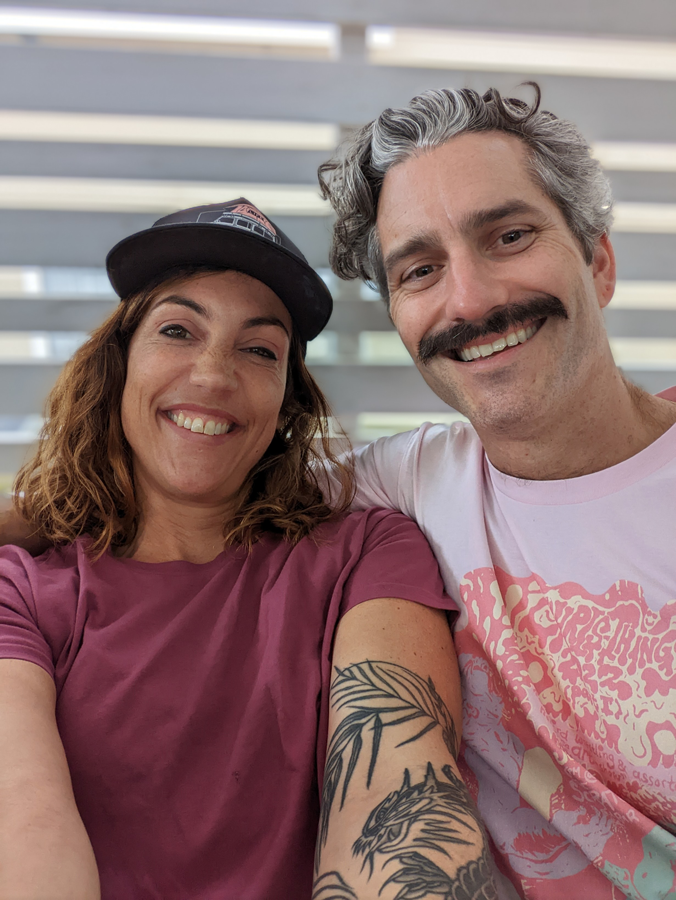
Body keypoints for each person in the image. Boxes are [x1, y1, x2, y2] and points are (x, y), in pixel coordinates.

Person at [0, 199, 498, 898]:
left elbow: (399, 797)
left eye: (260, 349)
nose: (212, 374)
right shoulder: (22, 589)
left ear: (287, 402)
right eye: (178, 330)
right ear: (116, 367)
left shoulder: (364, 554)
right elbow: (25, 826)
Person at [319, 86, 676, 900]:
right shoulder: (407, 480)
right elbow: (176, 495)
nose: (471, 300)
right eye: (421, 270)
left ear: (598, 260)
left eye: (509, 236)